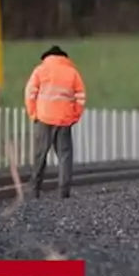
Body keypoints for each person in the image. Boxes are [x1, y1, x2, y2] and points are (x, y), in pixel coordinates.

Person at [24, 45, 86, 199]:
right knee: (65, 156)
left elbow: (30, 93)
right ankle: (64, 191)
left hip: (43, 118)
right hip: (64, 119)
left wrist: (33, 113)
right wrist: (75, 116)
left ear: (47, 57)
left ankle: (34, 189)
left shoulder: (40, 70)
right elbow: (80, 97)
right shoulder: (72, 73)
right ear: (64, 57)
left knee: (40, 155)